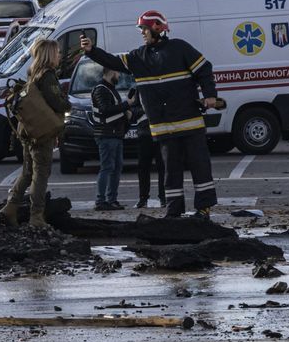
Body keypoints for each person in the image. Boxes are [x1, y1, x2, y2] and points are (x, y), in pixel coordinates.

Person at [81, 12, 225, 218]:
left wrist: (210, 95)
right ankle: (174, 211)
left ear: (157, 28)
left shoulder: (180, 48)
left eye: (144, 29)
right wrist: (91, 51)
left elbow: (204, 69)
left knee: (200, 167)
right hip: (164, 129)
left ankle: (204, 209)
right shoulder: (138, 57)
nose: (142, 34)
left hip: (190, 124)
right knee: (170, 172)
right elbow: (112, 61)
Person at [0, 38, 70, 228]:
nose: (60, 55)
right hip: (42, 132)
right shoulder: (48, 76)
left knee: (27, 172)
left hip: (28, 130)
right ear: (50, 55)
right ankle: (36, 216)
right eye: (57, 52)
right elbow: (56, 102)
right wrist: (68, 104)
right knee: (41, 173)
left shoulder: (33, 73)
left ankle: (10, 207)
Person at [90, 66, 130, 213]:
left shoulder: (110, 89)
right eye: (118, 73)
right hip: (106, 134)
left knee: (116, 168)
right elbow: (105, 110)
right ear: (112, 72)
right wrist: (126, 105)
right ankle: (101, 201)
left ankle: (111, 200)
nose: (119, 76)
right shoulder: (101, 89)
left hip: (115, 134)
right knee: (107, 167)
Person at [128, 83, 164, 210]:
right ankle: (143, 198)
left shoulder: (160, 84)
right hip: (145, 132)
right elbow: (132, 110)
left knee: (162, 166)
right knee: (143, 167)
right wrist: (146, 109)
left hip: (160, 130)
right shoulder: (137, 87)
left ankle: (164, 197)